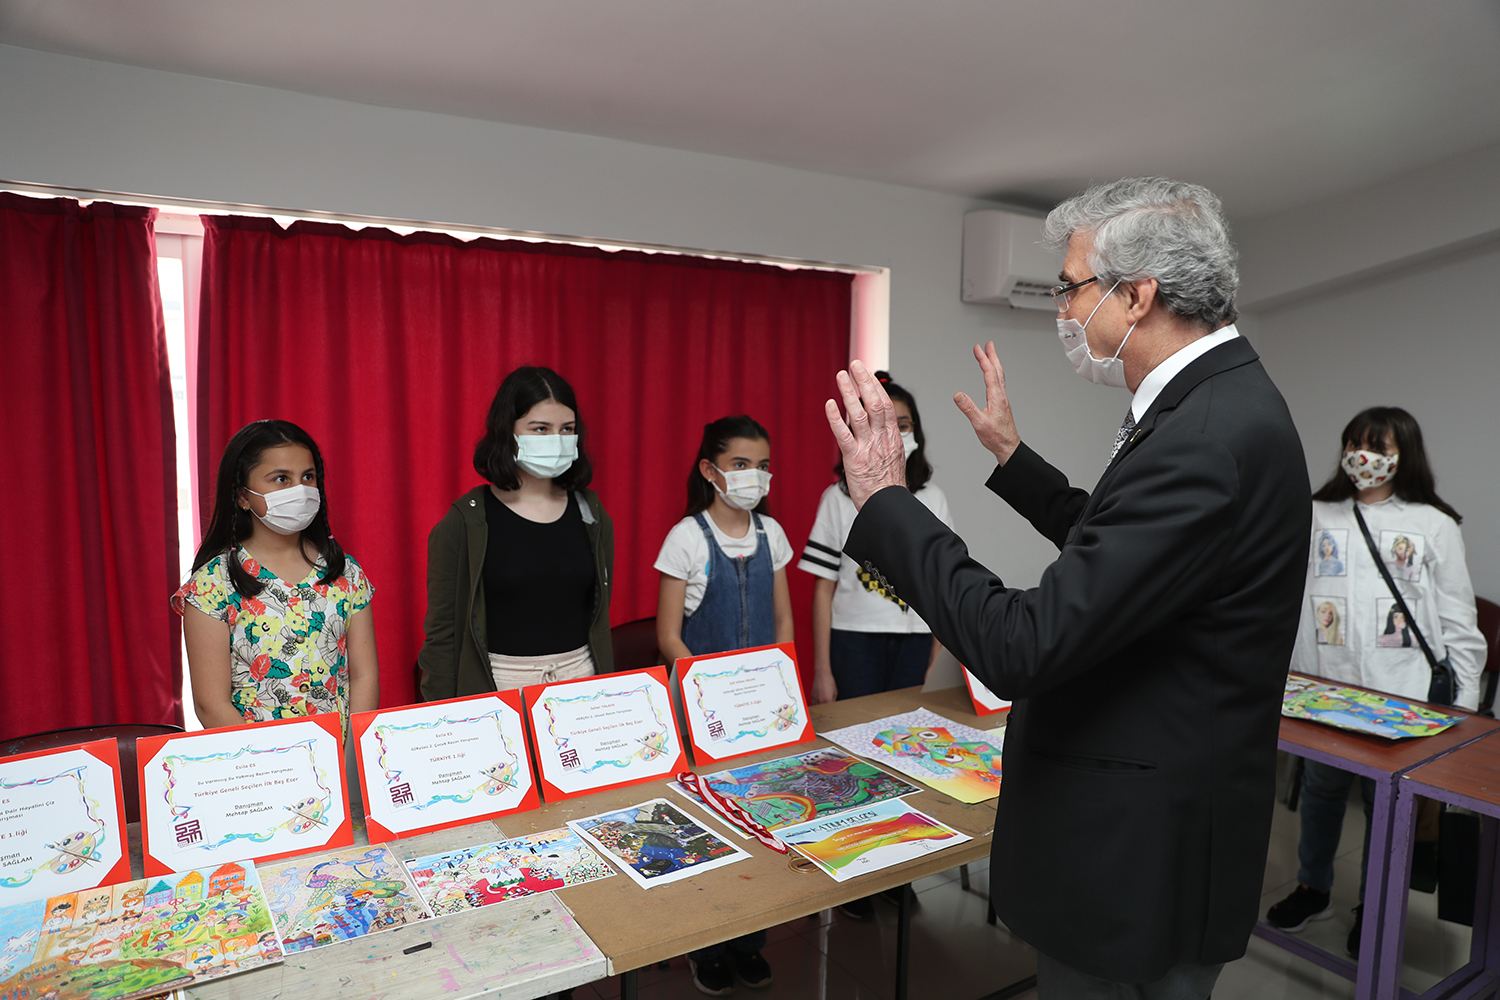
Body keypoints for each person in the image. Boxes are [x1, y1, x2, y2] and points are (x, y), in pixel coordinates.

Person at [824, 177, 1310, 997]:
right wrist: (1015, 462)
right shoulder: (1218, 403)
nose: (1061, 308)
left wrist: (885, 500)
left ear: (1138, 294)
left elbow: (1023, 642)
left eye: (1072, 285)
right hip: (1162, 829)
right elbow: (1129, 559)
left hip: (1140, 856)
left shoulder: (1205, 433)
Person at [1267, 406, 1486, 955]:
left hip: (1401, 697)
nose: (1363, 457)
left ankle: (1374, 905)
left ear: (1402, 454)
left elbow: (1459, 619)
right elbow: (1286, 600)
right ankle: (1312, 886)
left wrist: (1465, 707)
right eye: (1355, 444)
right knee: (1320, 794)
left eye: (1378, 447)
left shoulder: (1434, 523)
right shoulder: (1313, 513)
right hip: (1323, 689)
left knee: (1387, 810)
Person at [653, 415, 789, 997]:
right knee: (707, 827)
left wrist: (782, 685)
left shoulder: (772, 534)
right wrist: (708, 695)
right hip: (703, 709)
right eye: (740, 465)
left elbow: (782, 620)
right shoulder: (687, 537)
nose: (753, 476)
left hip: (762, 710)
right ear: (710, 470)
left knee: (761, 817)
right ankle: (706, 944)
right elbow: (667, 636)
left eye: (761, 465)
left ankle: (749, 940)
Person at [418, 366, 614, 699]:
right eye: (540, 429)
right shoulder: (464, 521)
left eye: (567, 429)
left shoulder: (591, 513)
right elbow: (442, 634)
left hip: (583, 684)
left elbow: (598, 612)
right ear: (507, 432)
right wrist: (442, 709)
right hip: (499, 688)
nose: (556, 440)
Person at [173, 419, 379, 734]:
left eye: (307, 477)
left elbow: (364, 676)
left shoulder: (345, 572)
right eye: (281, 478)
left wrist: (351, 756)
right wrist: (276, 765)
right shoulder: (212, 584)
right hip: (260, 767)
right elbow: (210, 704)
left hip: (341, 758)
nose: (299, 490)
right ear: (242, 495)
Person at [798, 372, 952, 706]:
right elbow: (823, 590)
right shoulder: (837, 498)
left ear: (917, 432)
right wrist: (822, 671)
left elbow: (942, 583)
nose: (894, 434)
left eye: (903, 424)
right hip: (853, 638)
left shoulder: (933, 498)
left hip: (917, 640)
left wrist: (936, 657)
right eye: (882, 424)